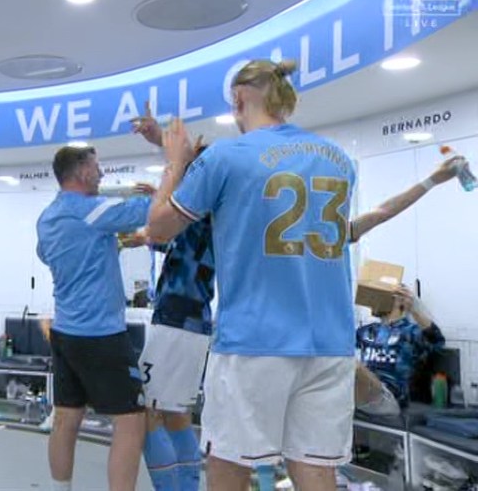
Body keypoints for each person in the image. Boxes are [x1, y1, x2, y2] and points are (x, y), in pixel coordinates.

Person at [123, 101, 463, 489]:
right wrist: (430, 181)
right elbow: (381, 212)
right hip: (317, 347)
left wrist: (172, 164)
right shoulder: (278, 219)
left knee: (214, 446)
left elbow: (161, 223)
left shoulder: (225, 204)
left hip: (237, 338)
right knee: (296, 459)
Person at [138, 59, 357, 490]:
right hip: (331, 343)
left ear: (239, 99)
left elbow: (159, 227)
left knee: (230, 465)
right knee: (316, 470)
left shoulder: (226, 155)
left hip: (254, 343)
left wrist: (174, 163)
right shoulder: (339, 159)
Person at [36, 145, 150, 491]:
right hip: (100, 334)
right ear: (83, 171)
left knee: (66, 418)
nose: (101, 174)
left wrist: (106, 247)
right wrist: (169, 181)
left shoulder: (48, 217)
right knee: (131, 422)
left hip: (66, 332)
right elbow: (147, 211)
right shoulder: (89, 210)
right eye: (97, 166)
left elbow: (48, 254)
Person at [356, 283, 445, 409]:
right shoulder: (367, 331)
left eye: (379, 295)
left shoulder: (410, 331)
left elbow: (437, 341)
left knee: (354, 366)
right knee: (339, 360)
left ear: (399, 301)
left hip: (391, 397)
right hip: (362, 391)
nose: (372, 301)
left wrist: (413, 309)